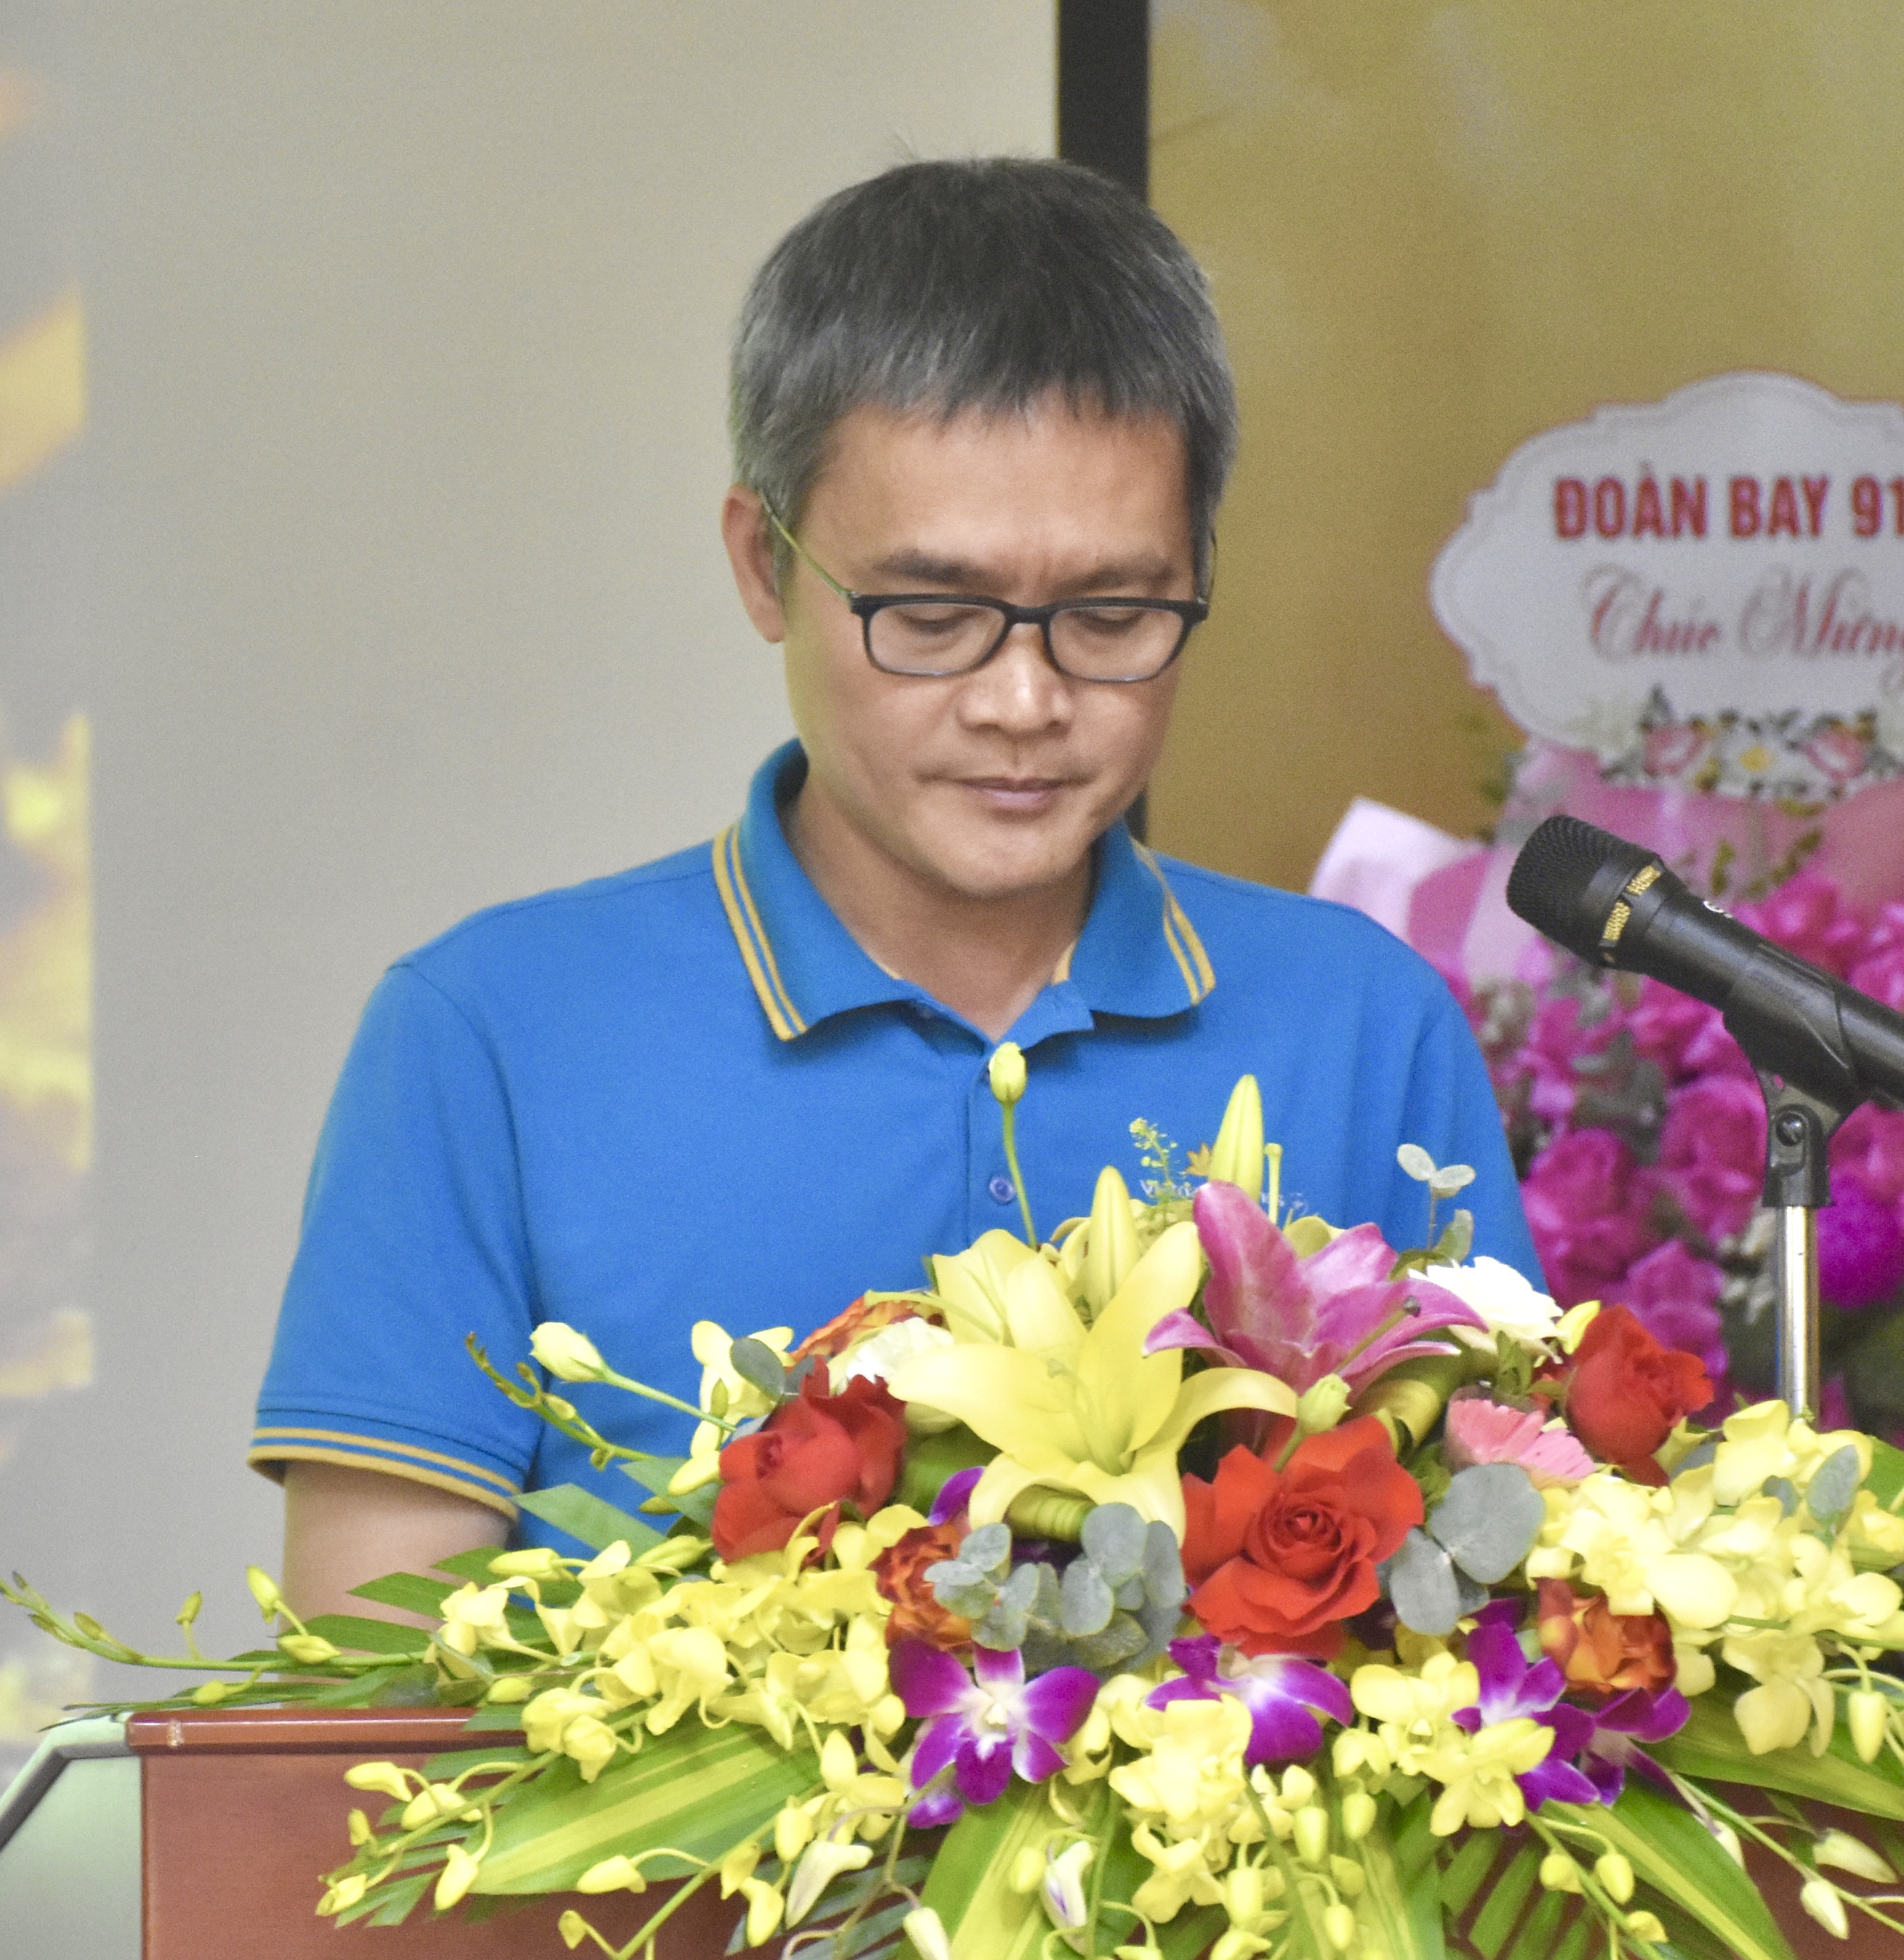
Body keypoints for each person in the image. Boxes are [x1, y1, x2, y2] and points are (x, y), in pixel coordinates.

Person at [252, 158, 1538, 1619]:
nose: (1023, 700)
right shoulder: (490, 1037)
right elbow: (363, 1688)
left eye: (1112, 614)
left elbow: (1512, 1598)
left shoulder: (1361, 1021)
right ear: (763, 565)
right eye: (931, 614)